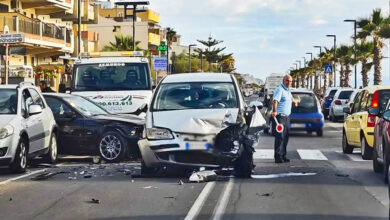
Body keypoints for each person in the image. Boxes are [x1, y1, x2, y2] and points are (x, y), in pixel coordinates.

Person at [271, 75, 299, 163]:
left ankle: (283, 155)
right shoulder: (280, 89)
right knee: (280, 137)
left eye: (290, 81)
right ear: (283, 80)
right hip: (280, 117)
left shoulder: (287, 90)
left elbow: (290, 98)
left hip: (287, 117)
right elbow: (275, 101)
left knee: (285, 137)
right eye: (287, 81)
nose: (289, 83)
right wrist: (274, 111)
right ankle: (278, 157)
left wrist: (295, 102)